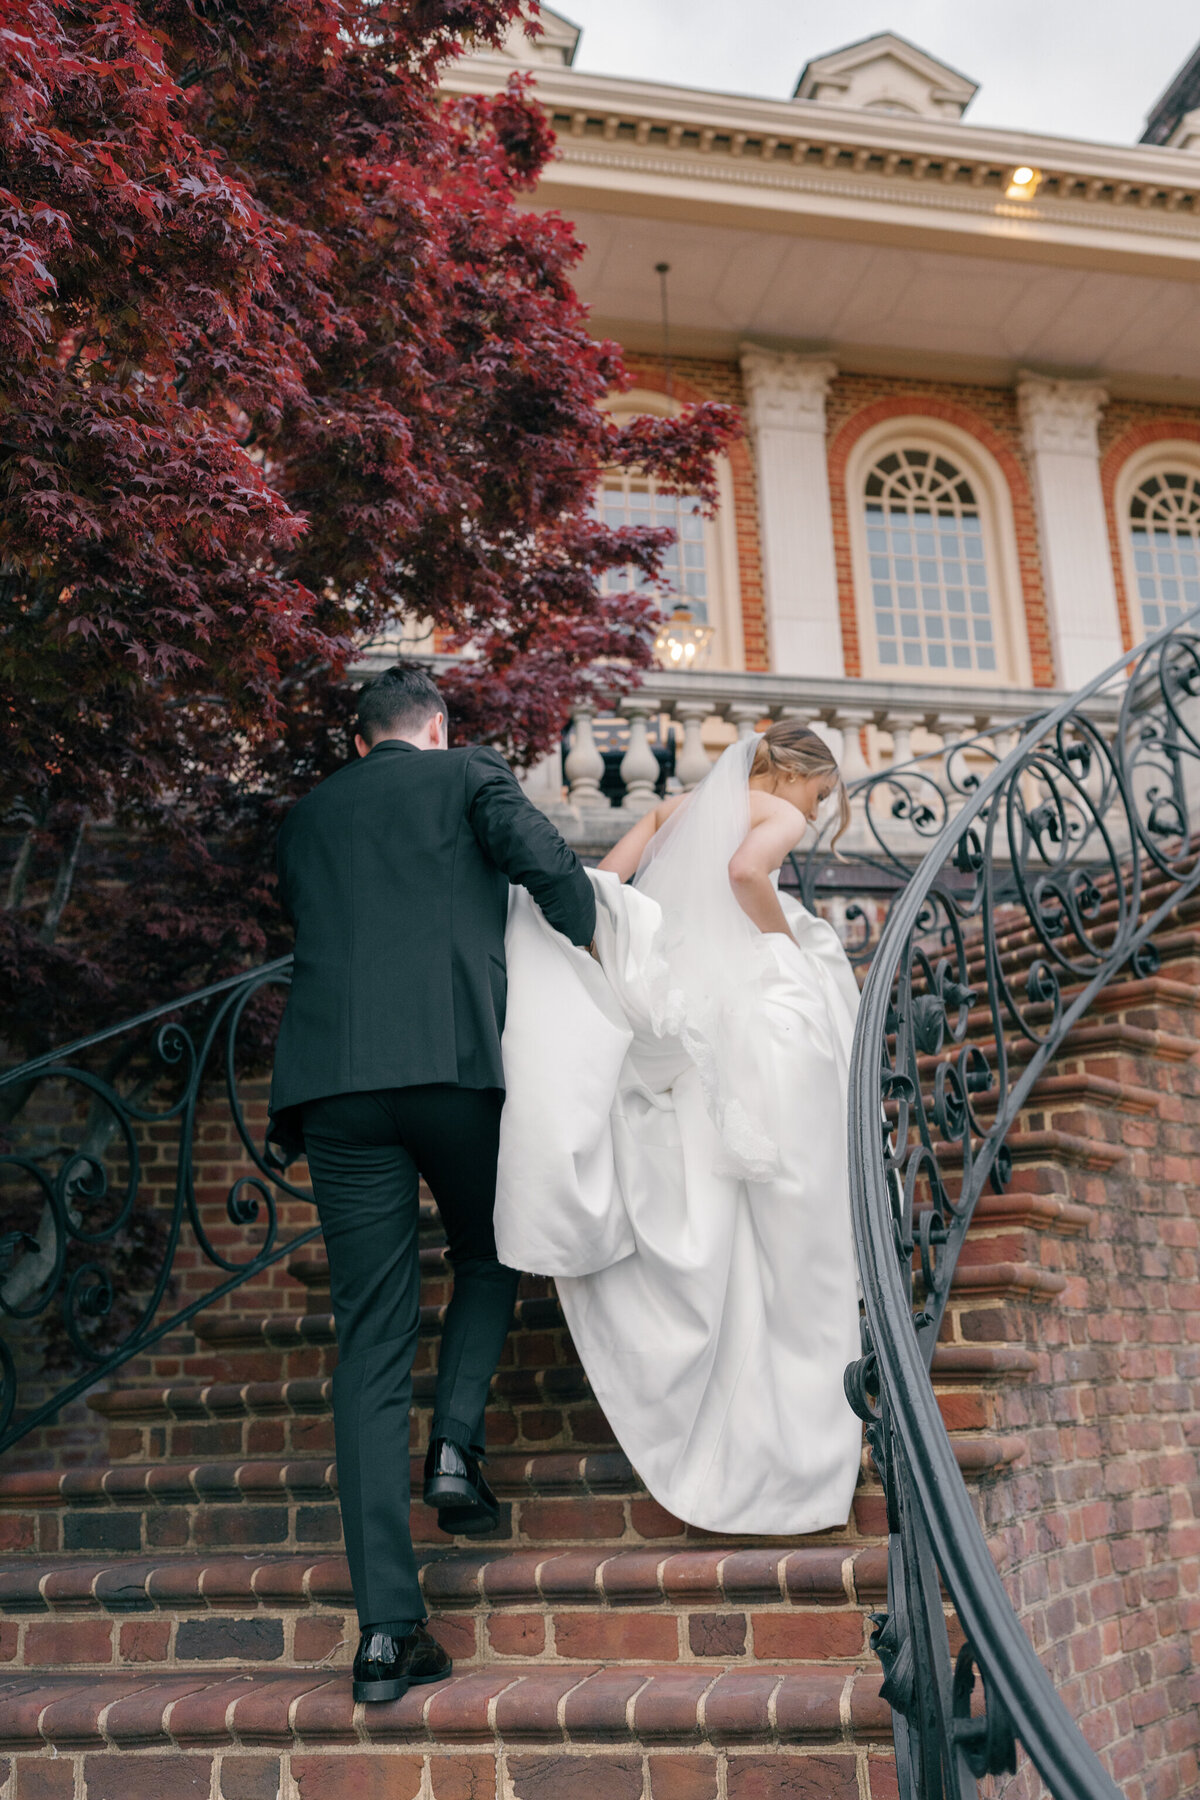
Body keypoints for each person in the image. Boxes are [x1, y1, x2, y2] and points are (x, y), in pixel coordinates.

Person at [268, 664, 595, 1703]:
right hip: (453, 1068)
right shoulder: (468, 776)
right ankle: (455, 1444)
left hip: (333, 1090)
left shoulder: (308, 817)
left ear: (360, 740)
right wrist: (586, 948)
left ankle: (384, 1635)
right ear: (437, 726)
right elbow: (556, 878)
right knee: (490, 1247)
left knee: (367, 1341)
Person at [493, 720, 864, 1535]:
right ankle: (794, 1389)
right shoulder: (783, 815)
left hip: (684, 1003)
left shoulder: (682, 805)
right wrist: (783, 949)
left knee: (708, 1173)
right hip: (747, 1005)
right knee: (785, 1190)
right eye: (821, 792)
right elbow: (745, 871)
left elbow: (604, 888)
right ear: (803, 776)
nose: (815, 807)